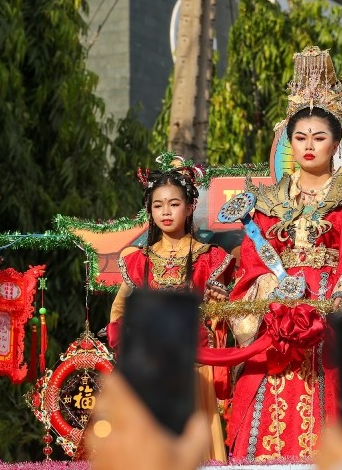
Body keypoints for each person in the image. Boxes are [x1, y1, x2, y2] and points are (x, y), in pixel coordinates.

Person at [225, 46, 342, 461]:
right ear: (289, 144)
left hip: (327, 316)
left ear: (336, 143)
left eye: (319, 137)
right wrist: (271, 290)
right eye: (300, 138)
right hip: (276, 319)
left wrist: (340, 293)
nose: (309, 146)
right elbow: (251, 265)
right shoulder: (266, 202)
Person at [106, 161, 235, 462]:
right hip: (152, 369)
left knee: (197, 446)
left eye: (174, 204)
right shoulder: (139, 261)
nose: (165, 212)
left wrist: (220, 305)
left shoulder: (212, 257)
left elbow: (229, 310)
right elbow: (119, 311)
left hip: (195, 366)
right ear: (149, 211)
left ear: (190, 207)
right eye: (158, 205)